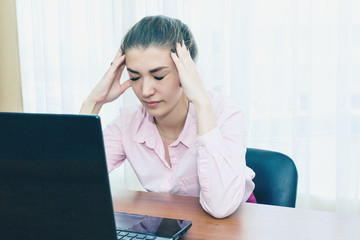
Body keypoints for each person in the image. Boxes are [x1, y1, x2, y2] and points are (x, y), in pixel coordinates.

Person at [80, 15, 256, 218]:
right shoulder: (129, 122)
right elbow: (73, 184)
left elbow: (221, 207)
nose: (145, 90)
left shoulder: (224, 112)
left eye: (158, 76)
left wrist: (201, 102)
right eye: (135, 77)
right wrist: (93, 102)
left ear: (186, 72)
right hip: (169, 224)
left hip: (233, 224)